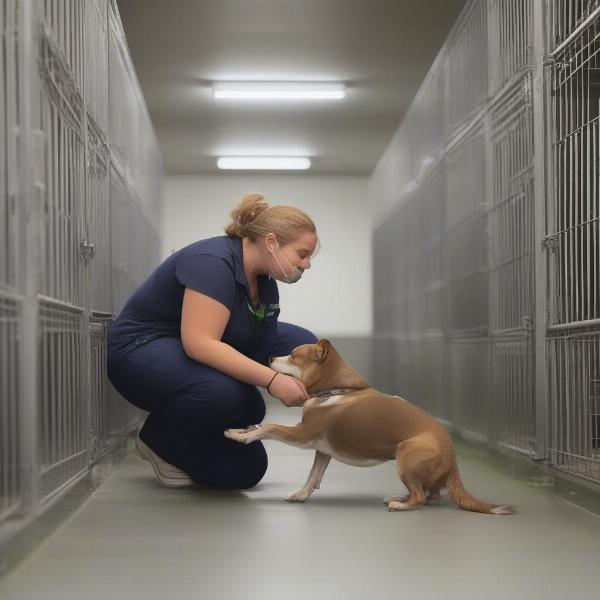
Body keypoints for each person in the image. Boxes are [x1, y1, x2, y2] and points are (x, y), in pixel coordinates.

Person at [107, 193, 319, 490]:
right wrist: (272, 381)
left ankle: (204, 423)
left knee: (246, 469)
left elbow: (264, 342)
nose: (307, 264)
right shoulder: (212, 262)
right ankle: (157, 440)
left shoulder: (265, 281)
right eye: (303, 253)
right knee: (225, 394)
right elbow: (199, 344)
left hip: (187, 347)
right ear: (272, 242)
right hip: (141, 350)